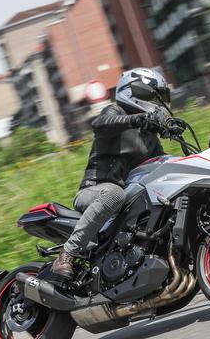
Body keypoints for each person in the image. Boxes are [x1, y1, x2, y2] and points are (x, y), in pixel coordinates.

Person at [51, 68, 173, 280]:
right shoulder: (114, 112)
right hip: (94, 191)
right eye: (154, 96)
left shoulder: (148, 135)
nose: (158, 102)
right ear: (136, 92)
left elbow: (160, 164)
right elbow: (100, 125)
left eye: (161, 97)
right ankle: (66, 255)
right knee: (115, 193)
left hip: (124, 197)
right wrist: (139, 119)